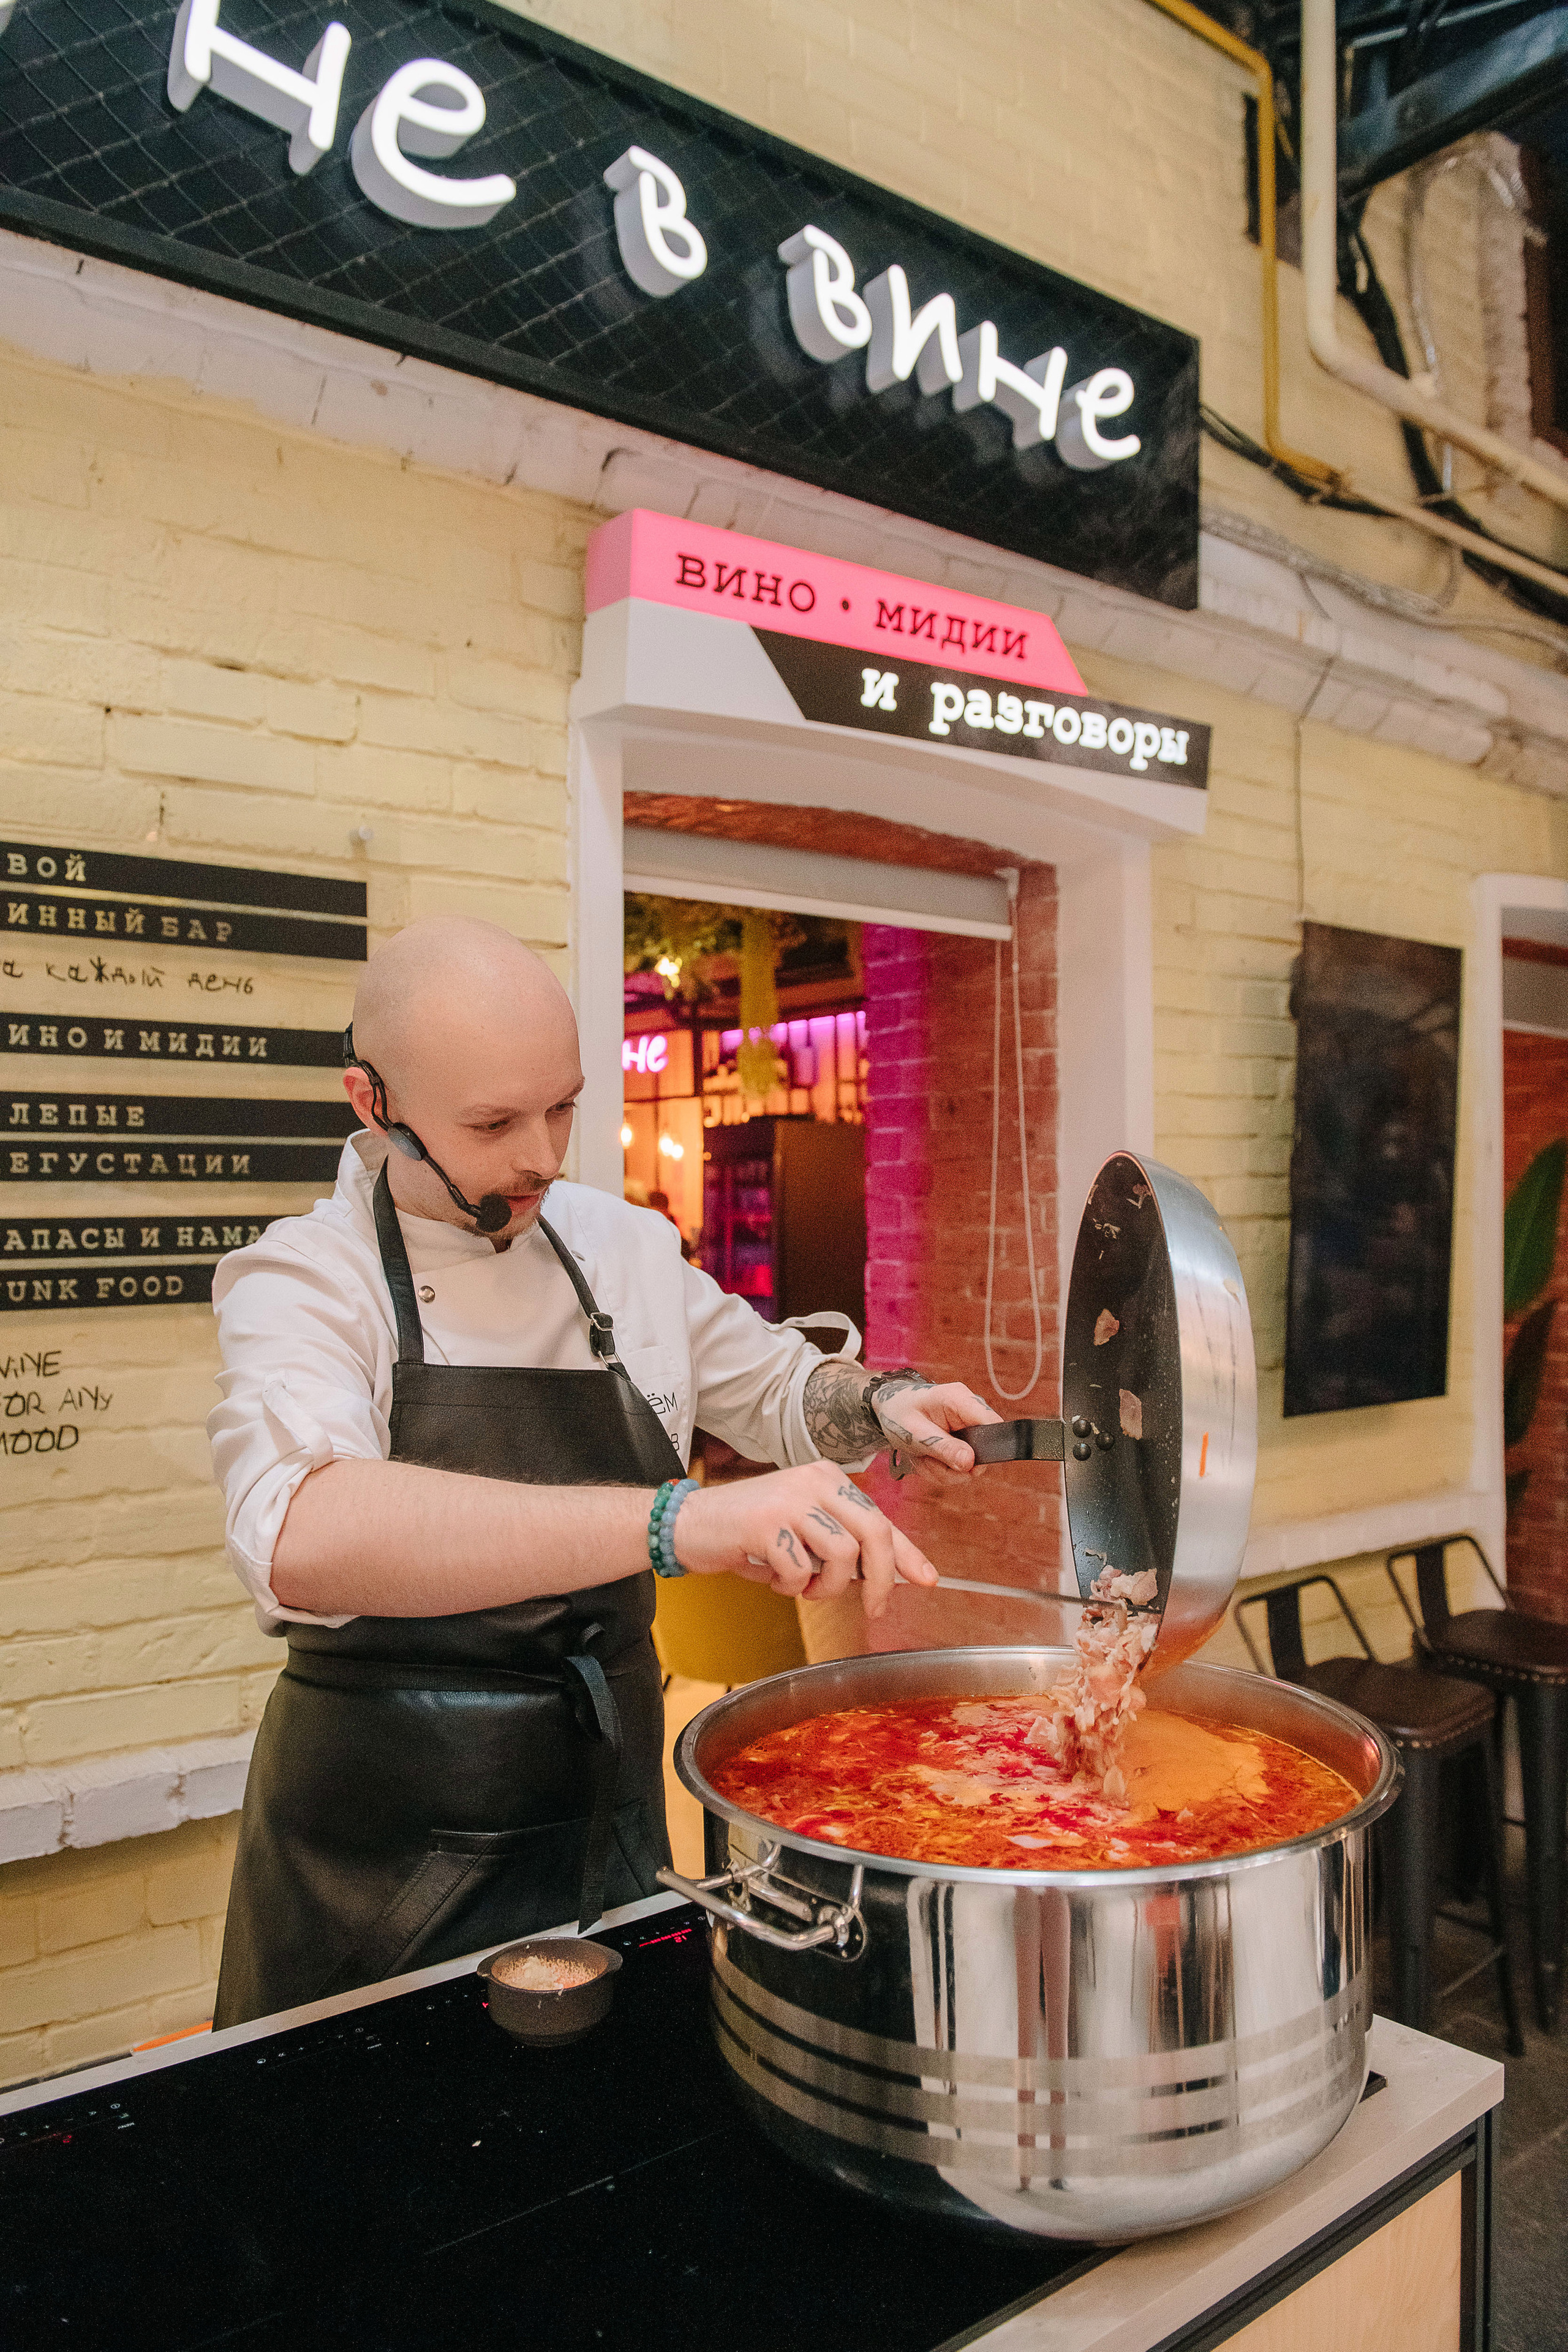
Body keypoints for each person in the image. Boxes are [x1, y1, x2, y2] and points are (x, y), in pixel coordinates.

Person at [206, 917, 997, 2025]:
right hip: (383, 1854)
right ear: (372, 1102)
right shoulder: (305, 1280)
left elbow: (772, 1387)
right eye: (493, 1123)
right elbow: (307, 1534)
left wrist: (878, 1404)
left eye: (563, 1106)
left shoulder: (616, 1245)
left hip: (607, 1803)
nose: (543, 1154)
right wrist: (677, 1521)